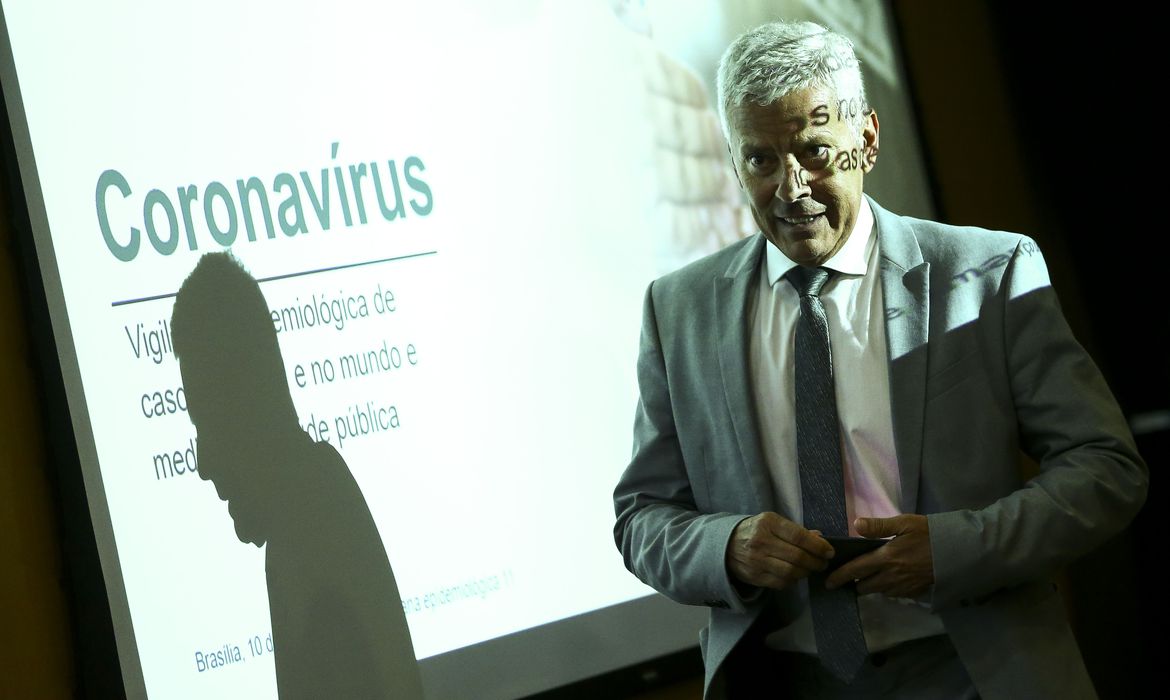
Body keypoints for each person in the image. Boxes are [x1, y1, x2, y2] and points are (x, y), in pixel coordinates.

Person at [612, 20, 1147, 700]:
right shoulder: (678, 310)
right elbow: (642, 517)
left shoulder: (990, 273)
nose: (791, 188)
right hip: (782, 681)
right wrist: (727, 547)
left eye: (814, 152)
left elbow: (1106, 467)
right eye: (761, 161)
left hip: (974, 670)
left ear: (866, 138)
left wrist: (955, 549)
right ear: (733, 160)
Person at [171, 252, 424, 699]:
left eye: (205, 422)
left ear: (248, 399)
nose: (202, 464)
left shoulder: (308, 533)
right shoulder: (319, 501)